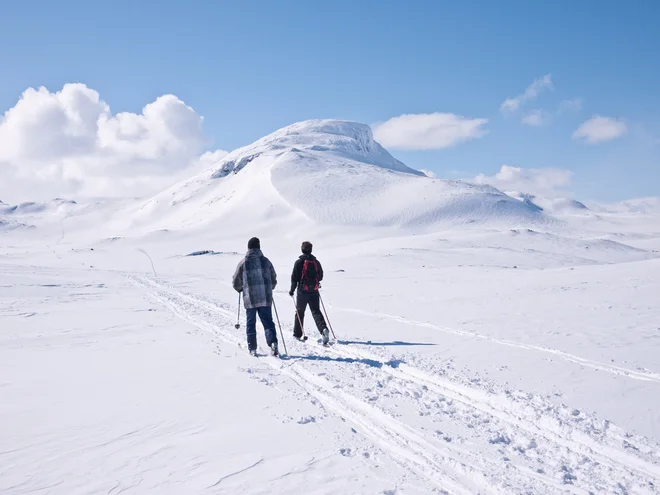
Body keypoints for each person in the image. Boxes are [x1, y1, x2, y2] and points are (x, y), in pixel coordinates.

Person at [232, 237, 279, 356]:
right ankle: (273, 343)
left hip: (250, 298)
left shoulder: (243, 262)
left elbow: (236, 281)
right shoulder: (266, 261)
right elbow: (273, 277)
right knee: (268, 321)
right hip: (265, 298)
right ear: (259, 247)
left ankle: (252, 348)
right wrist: (269, 287)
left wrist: (240, 289)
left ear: (248, 248)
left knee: (250, 323)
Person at [289, 241, 330, 345]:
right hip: (314, 291)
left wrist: (292, 290)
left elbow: (294, 278)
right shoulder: (316, 262)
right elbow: (320, 276)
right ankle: (323, 329)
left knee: (300, 312)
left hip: (302, 291)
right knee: (316, 311)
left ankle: (298, 334)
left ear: (302, 249)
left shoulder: (299, 262)